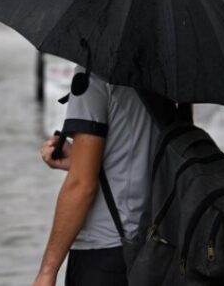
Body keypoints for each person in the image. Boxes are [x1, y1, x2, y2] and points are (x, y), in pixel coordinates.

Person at [32, 66, 157, 286]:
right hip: (155, 247)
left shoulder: (93, 75)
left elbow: (82, 186)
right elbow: (145, 156)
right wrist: (79, 159)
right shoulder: (164, 74)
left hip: (104, 253)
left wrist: (47, 272)